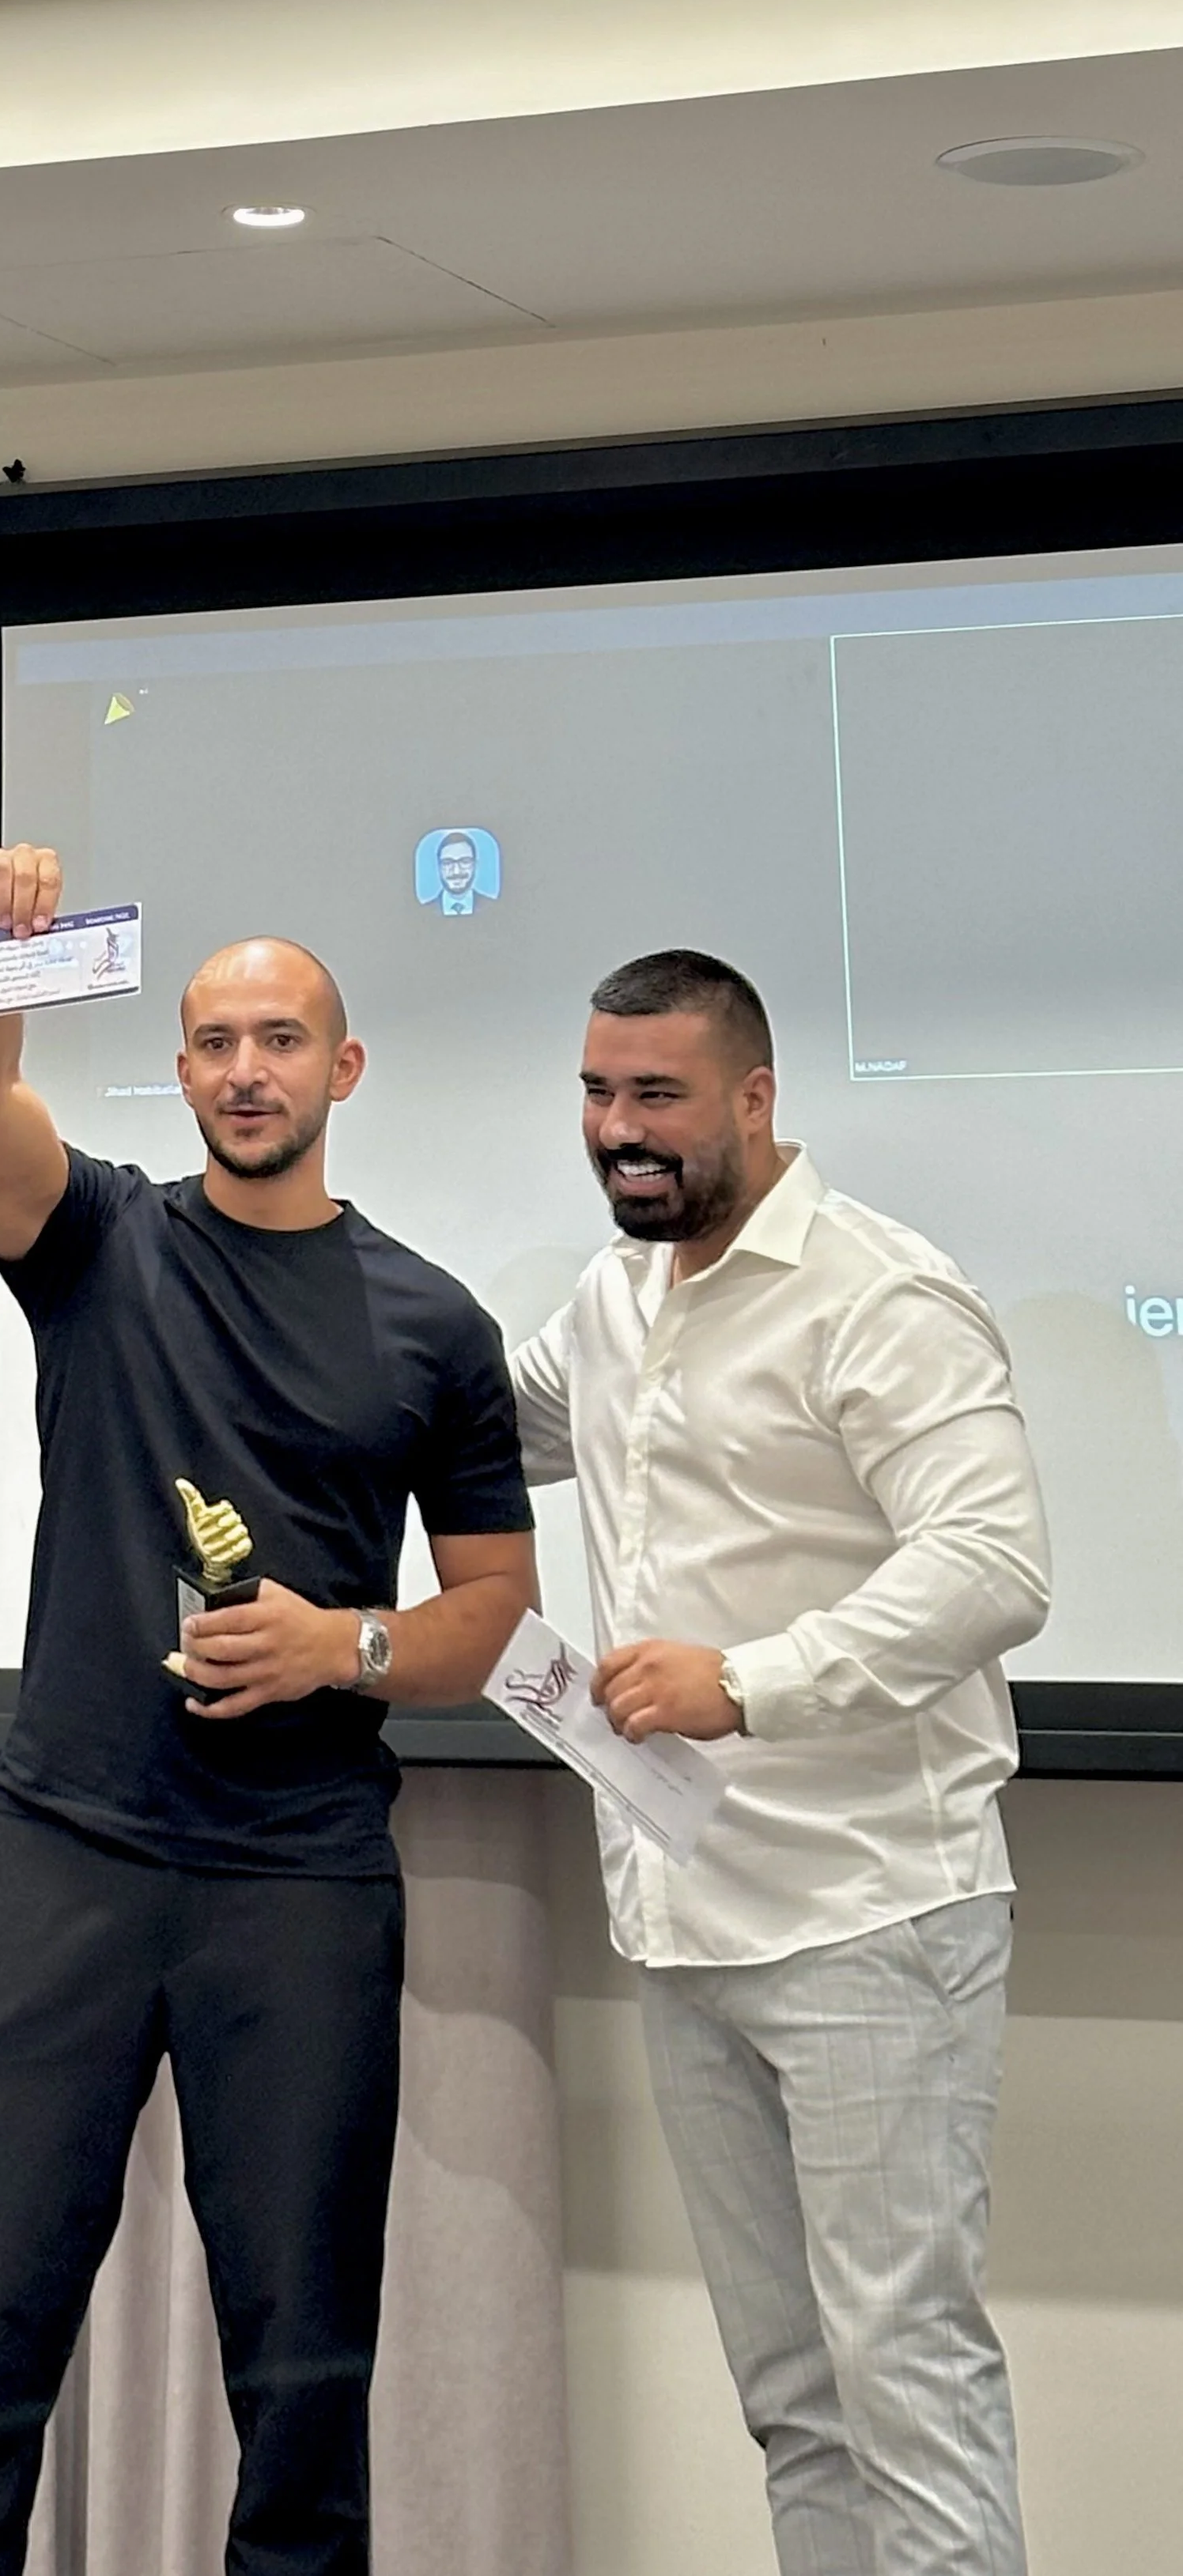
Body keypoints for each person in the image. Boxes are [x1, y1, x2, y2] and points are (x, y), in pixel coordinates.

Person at [0, 842, 539, 2576]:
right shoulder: (98, 1241)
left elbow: (489, 1612)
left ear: (343, 1068)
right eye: (214, 1040)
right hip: (64, 1867)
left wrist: (350, 1650)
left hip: (300, 1887)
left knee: (301, 2403)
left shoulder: (433, 1326)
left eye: (280, 1038)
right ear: (178, 1069)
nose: (247, 1068)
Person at [509, 950, 1050, 2576]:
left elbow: (989, 1562)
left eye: (655, 1096)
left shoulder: (877, 1294)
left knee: (908, 2395)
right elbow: (462, 1422)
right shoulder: (615, 1300)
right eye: (598, 1094)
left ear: (753, 1097)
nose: (619, 1130)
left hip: (869, 1920)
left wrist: (746, 1681)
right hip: (685, 1924)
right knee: (794, 2403)